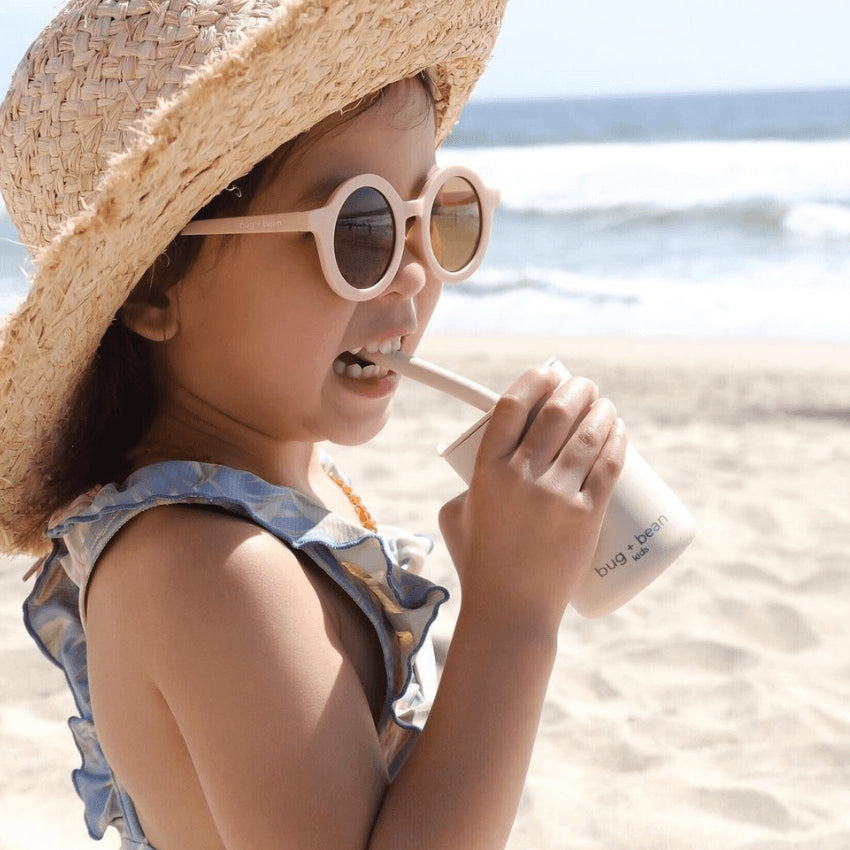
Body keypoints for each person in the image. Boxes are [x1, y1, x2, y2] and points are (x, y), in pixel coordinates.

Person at [0, 1, 627, 848]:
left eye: (436, 213)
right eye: (359, 229)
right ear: (152, 287)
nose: (411, 276)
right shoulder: (210, 568)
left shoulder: (270, 505)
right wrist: (514, 614)